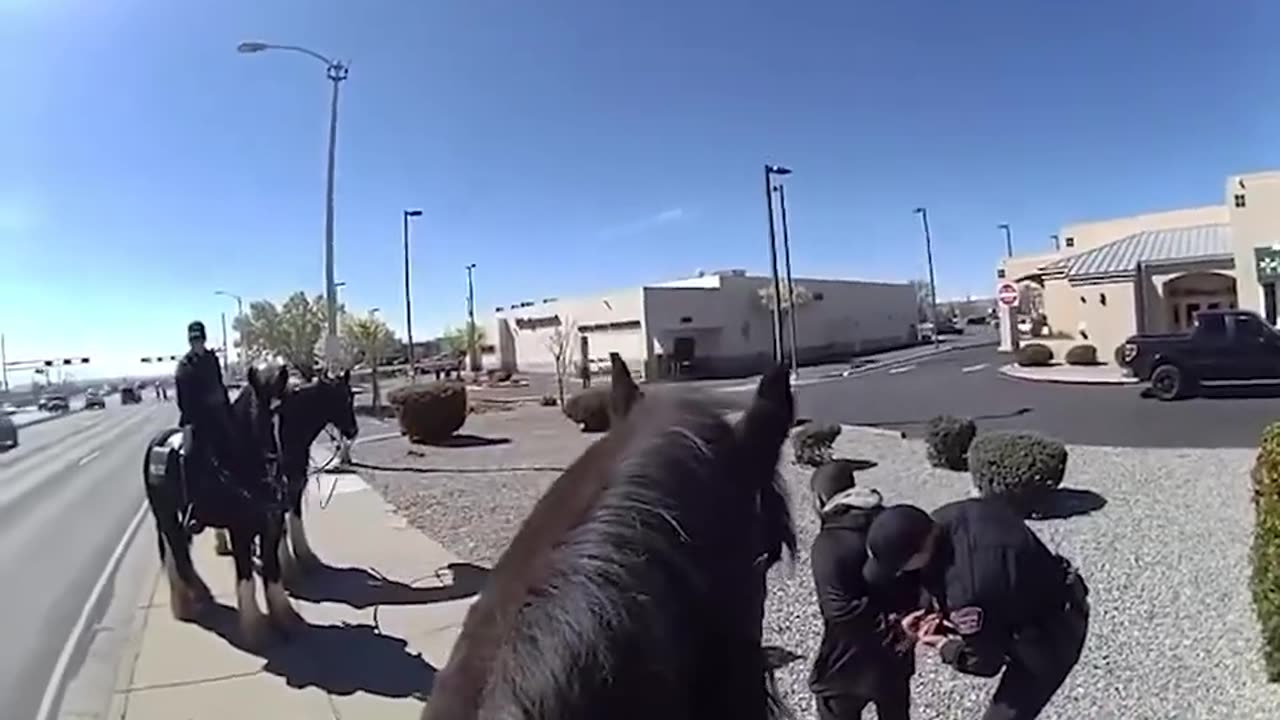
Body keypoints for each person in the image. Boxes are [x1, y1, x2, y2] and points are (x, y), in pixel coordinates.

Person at [863, 500, 1090, 720]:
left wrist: (944, 646)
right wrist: (932, 609)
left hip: (1053, 635)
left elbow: (986, 663)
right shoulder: (953, 513)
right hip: (1041, 588)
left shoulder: (968, 593)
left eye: (901, 568)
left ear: (918, 554)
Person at [807, 461, 921, 720]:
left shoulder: (829, 543)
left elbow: (839, 610)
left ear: (820, 498)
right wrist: (901, 625)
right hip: (897, 653)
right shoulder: (893, 524)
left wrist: (887, 625)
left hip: (846, 664)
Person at [175, 320, 232, 488]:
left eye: (199, 338)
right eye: (193, 339)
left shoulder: (212, 360)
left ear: (204, 338)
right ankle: (189, 498)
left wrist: (227, 408)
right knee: (189, 456)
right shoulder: (184, 366)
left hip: (218, 414)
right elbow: (183, 400)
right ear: (189, 341)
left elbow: (220, 385)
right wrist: (200, 414)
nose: (197, 342)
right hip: (195, 420)